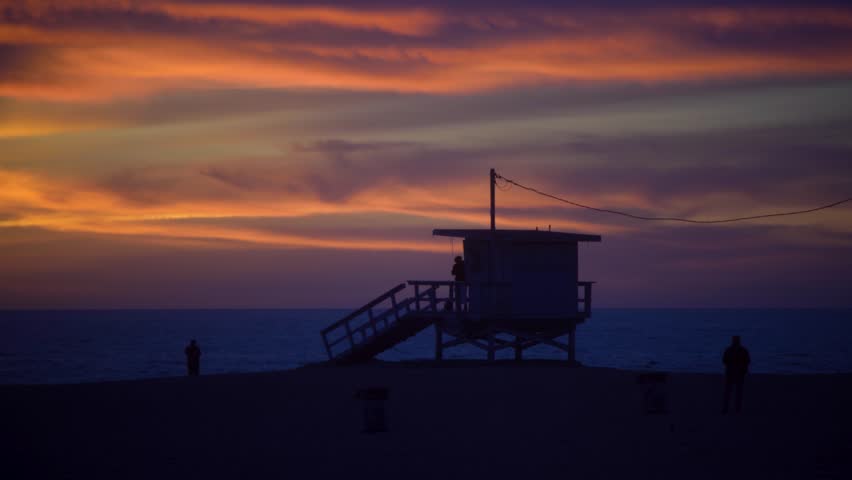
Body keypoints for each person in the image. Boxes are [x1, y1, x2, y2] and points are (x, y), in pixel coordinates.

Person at [722, 335, 750, 413]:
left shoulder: (729, 350)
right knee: (735, 392)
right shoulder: (743, 350)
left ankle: (727, 409)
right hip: (735, 373)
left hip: (733, 373)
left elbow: (724, 360)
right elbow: (747, 361)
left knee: (730, 392)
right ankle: (734, 409)